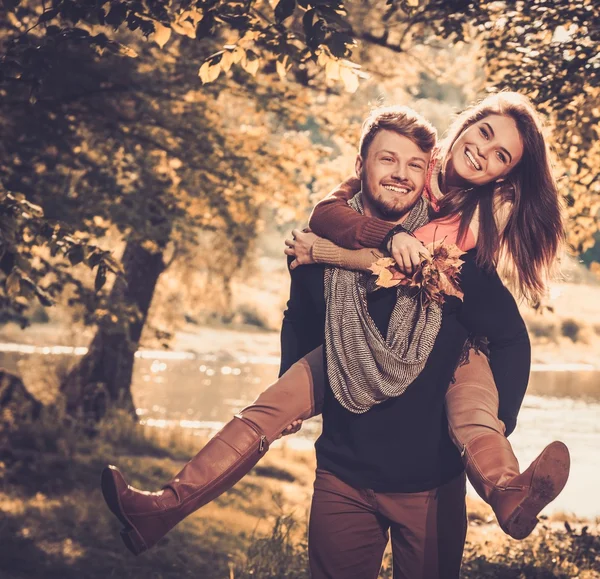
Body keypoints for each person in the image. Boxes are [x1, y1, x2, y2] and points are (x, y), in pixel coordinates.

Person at [100, 101, 568, 572]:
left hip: (429, 469)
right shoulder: (389, 183)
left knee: (474, 413)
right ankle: (160, 508)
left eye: (501, 156)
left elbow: (417, 270)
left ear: (502, 178)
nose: (484, 152)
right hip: (345, 439)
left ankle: (507, 490)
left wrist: (326, 251)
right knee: (265, 411)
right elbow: (308, 287)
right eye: (483, 133)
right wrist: (293, 380)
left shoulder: (467, 240)